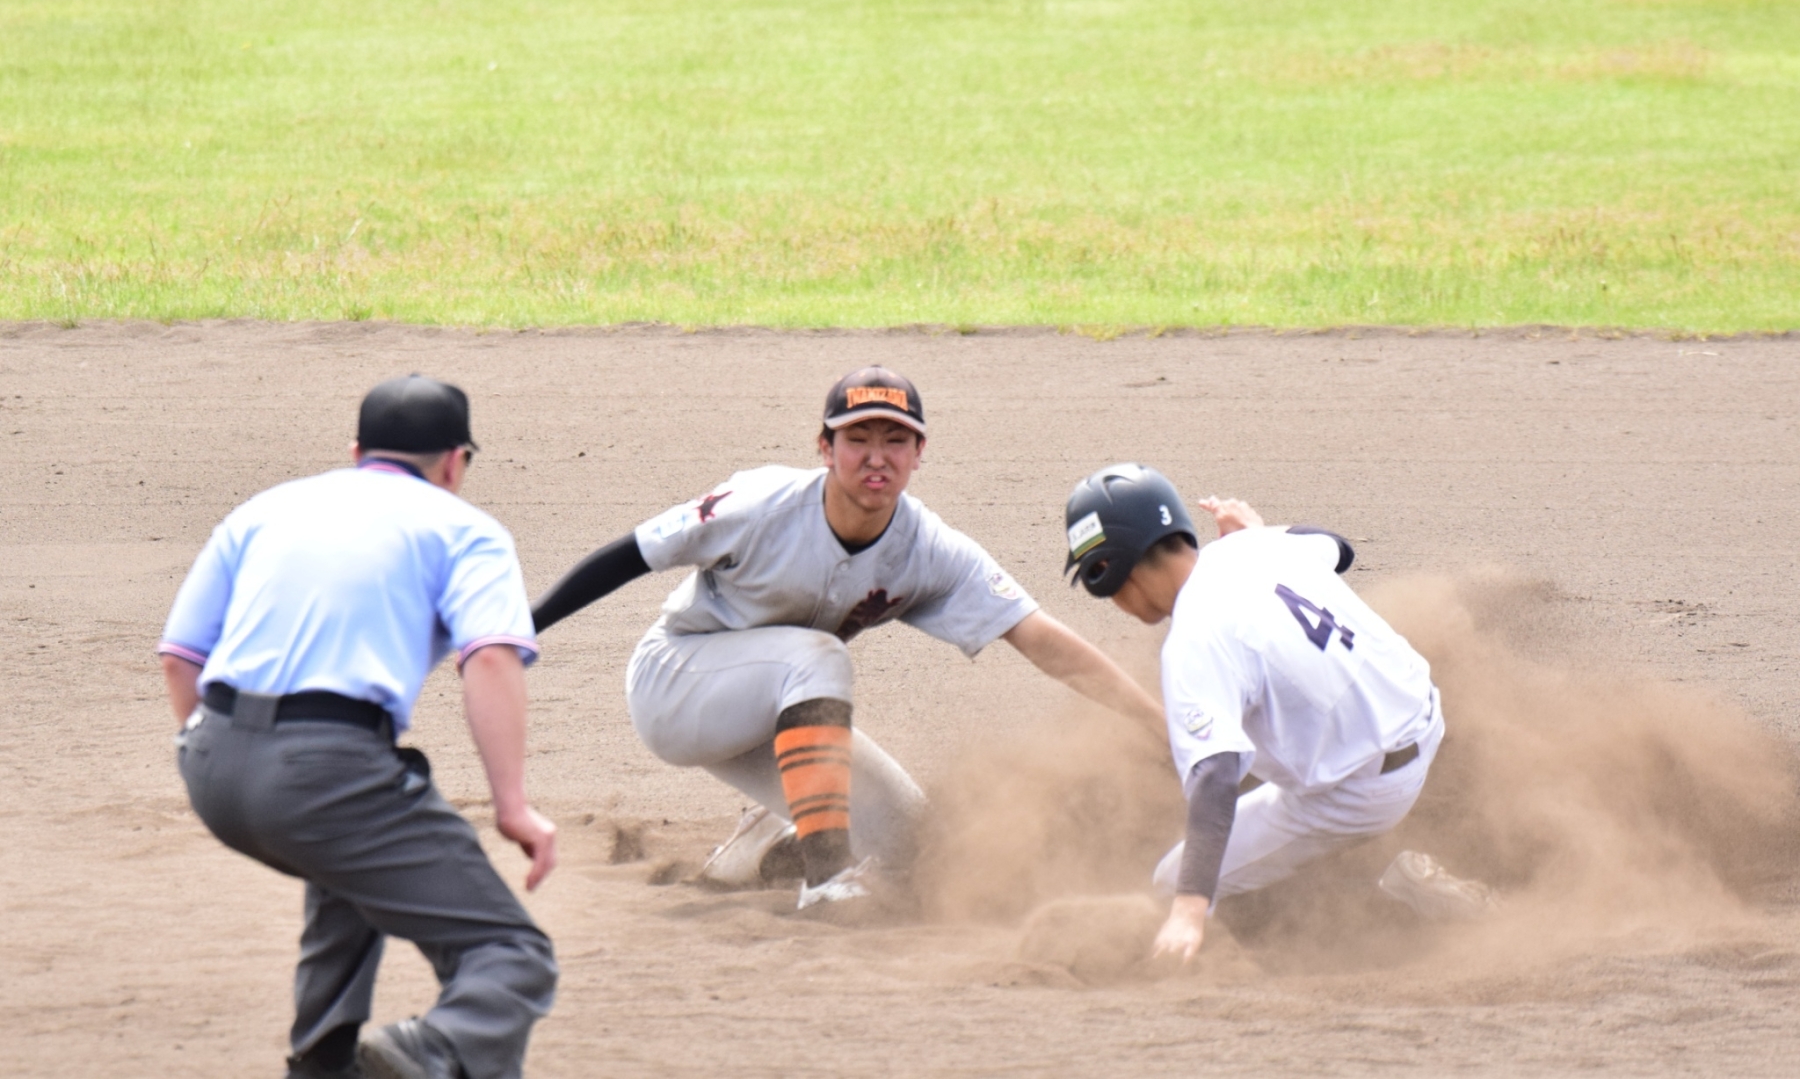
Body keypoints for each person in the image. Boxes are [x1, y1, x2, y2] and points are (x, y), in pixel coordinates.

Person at [530, 365, 1166, 909]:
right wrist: (523, 629)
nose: (876, 456)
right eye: (857, 438)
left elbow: (1039, 637)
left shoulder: (930, 549)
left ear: (919, 452)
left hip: (780, 717)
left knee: (915, 847)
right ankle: (827, 879)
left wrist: (1154, 721)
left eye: (896, 439)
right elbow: (632, 554)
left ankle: (767, 841)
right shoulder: (760, 503)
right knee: (817, 657)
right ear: (825, 447)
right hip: (676, 687)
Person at [157, 375, 558, 1079]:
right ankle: (421, 1055)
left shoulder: (265, 509)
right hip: (325, 767)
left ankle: (322, 1060)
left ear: (356, 452)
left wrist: (228, 751)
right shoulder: (465, 529)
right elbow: (491, 659)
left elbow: (180, 657)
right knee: (510, 955)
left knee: (345, 859)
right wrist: (513, 806)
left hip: (210, 762)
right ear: (455, 462)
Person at [1061, 463, 1492, 963]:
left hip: (1362, 794)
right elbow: (1338, 549)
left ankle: (1390, 903)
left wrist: (1189, 907)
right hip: (1424, 713)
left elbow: (1215, 778)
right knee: (1261, 733)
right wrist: (1257, 533)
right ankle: (1372, 865)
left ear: (1113, 568)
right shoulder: (1251, 547)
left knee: (1173, 879)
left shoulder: (1195, 641)